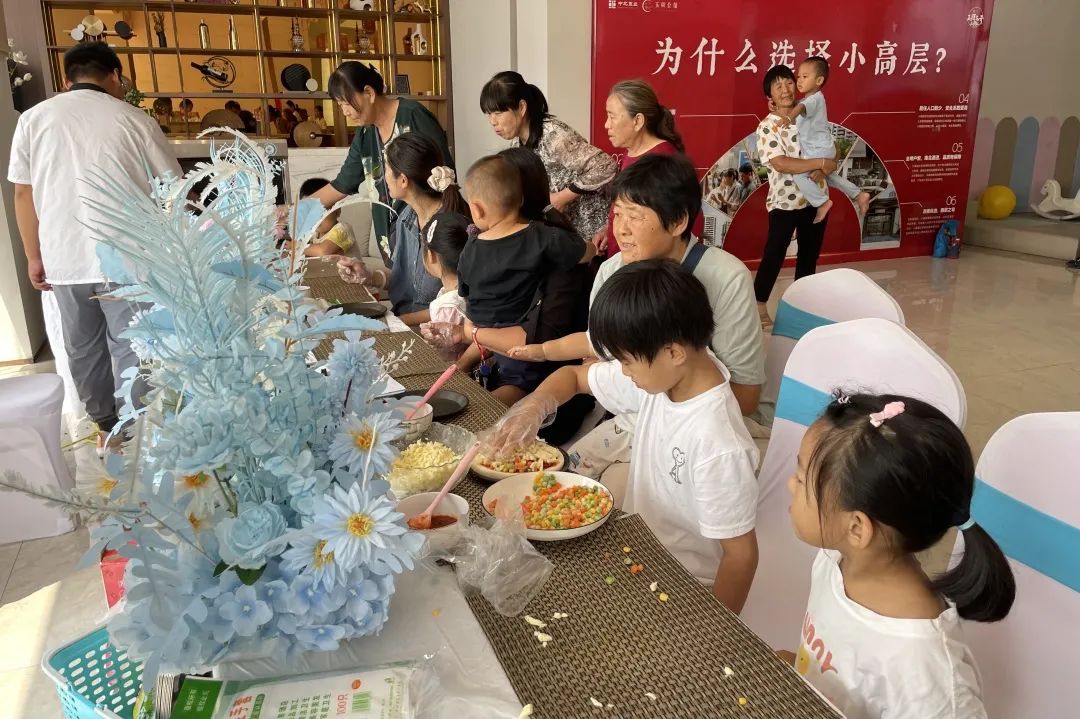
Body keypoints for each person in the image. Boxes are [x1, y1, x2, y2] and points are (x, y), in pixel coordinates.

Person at [486, 261, 759, 612]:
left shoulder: (718, 443)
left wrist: (714, 631)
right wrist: (535, 406)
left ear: (673, 352)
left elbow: (741, 555)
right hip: (638, 554)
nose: (623, 372)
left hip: (686, 587)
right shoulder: (667, 376)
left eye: (627, 361)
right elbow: (574, 377)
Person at [508, 154, 765, 479]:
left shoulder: (726, 278)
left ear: (678, 222)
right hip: (636, 406)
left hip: (703, 422)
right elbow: (597, 358)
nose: (621, 229)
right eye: (617, 214)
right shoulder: (611, 271)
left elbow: (745, 398)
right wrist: (536, 403)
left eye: (635, 216)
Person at [784, 393, 1015, 718]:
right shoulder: (834, 559)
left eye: (800, 479)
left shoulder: (926, 672)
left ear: (856, 528)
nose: (789, 484)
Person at [8, 42, 181, 452]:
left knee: (83, 348)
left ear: (67, 78)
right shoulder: (134, 119)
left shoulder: (33, 119)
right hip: (129, 257)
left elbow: (22, 194)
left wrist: (33, 255)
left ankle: (104, 427)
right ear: (115, 76)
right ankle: (133, 431)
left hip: (64, 256)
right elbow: (173, 187)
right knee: (131, 346)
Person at [456, 154, 593, 405]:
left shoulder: (474, 247)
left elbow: (532, 340)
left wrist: (473, 330)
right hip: (505, 355)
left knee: (488, 405)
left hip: (546, 386)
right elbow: (585, 251)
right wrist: (462, 363)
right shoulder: (546, 241)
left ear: (477, 208)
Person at [313, 62, 452, 260]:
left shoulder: (412, 115)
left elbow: (445, 175)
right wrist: (293, 213)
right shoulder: (365, 134)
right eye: (340, 105)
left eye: (346, 103)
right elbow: (342, 184)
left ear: (369, 93)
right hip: (392, 244)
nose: (345, 112)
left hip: (426, 238)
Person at [336, 132, 467, 325]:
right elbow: (402, 281)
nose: (383, 177)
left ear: (403, 180)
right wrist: (368, 276)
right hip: (401, 321)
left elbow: (459, 304)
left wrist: (396, 322)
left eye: (386, 169)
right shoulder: (406, 217)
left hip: (435, 331)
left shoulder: (452, 226)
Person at [481, 71, 616, 247]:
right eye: (489, 114)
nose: (493, 121)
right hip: (565, 236)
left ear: (521, 107)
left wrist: (563, 196)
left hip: (594, 235)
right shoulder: (517, 143)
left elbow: (605, 166)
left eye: (498, 113)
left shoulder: (554, 135)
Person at [754, 65, 838, 328]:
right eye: (777, 86)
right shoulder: (767, 126)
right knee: (774, 254)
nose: (785, 89)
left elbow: (829, 147)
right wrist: (820, 163)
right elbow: (781, 163)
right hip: (784, 202)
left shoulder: (808, 116)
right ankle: (758, 307)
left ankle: (802, 310)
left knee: (809, 257)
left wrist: (827, 163)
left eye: (789, 82)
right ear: (769, 95)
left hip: (815, 200)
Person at [602, 80, 701, 256]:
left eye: (612, 116)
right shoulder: (631, 152)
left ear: (638, 121)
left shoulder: (663, 160)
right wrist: (608, 229)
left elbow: (690, 225)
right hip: (624, 257)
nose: (606, 124)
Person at [772, 57, 870, 223]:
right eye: (798, 77)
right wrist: (778, 106)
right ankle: (859, 194)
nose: (799, 81)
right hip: (822, 148)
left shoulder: (814, 99)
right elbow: (798, 105)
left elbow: (800, 108)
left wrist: (788, 118)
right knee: (829, 177)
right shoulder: (812, 99)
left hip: (818, 150)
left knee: (800, 176)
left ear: (819, 80)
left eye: (805, 77)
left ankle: (822, 203)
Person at [294, 178, 356, 257]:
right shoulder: (314, 234)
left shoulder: (342, 229)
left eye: (321, 211)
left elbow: (323, 251)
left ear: (337, 210)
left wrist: (297, 246)